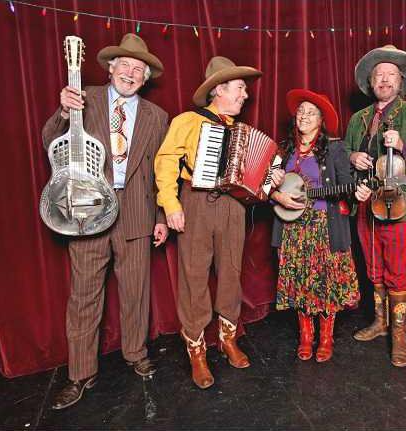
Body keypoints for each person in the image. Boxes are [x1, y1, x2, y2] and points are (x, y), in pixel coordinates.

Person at [42, 33, 169, 409]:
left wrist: (161, 216)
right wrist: (63, 112)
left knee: (136, 291)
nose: (130, 73)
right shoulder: (84, 99)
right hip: (88, 208)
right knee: (84, 294)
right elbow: (50, 141)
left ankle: (135, 353)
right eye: (124, 65)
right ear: (111, 68)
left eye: (138, 69)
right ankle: (80, 373)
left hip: (136, 211)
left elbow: (161, 172)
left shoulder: (157, 117)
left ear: (145, 78)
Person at [154, 56, 272, 389]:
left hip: (233, 206)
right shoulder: (188, 121)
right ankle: (196, 348)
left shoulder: (240, 131)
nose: (245, 95)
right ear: (219, 89)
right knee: (194, 275)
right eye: (240, 88)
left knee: (232, 272)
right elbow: (166, 162)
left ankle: (228, 337)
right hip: (196, 202)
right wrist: (171, 204)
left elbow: (254, 177)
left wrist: (268, 179)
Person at [345, 45, 406, 367]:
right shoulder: (358, 119)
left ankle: (399, 334)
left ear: (401, 81)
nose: (384, 79)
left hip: (399, 206)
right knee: (373, 268)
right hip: (365, 204)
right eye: (378, 75)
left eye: (390, 74)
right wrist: (353, 156)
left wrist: (403, 145)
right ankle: (380, 322)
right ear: (371, 83)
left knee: (398, 271)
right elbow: (343, 157)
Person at [271, 89, 365, 362]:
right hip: (291, 228)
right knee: (299, 282)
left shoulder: (334, 149)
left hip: (324, 226)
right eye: (301, 111)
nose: (304, 116)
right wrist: (276, 193)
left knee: (326, 282)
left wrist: (357, 192)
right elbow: (264, 186)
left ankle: (325, 337)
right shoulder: (284, 149)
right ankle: (305, 336)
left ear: (321, 120)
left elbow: (346, 185)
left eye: (311, 112)